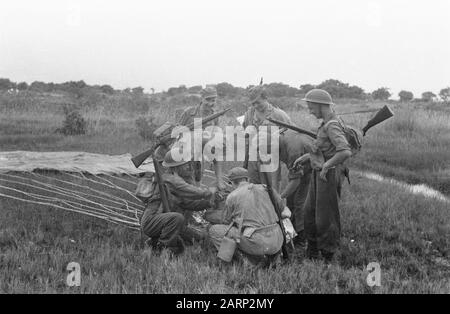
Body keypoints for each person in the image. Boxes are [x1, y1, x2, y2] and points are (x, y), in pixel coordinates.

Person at [293, 89, 352, 262]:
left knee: (326, 217)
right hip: (319, 173)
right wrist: (305, 158)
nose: (310, 111)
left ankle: (328, 254)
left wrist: (326, 166)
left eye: (311, 107)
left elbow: (345, 151)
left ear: (321, 105)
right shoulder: (327, 122)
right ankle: (312, 250)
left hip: (328, 175)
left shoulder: (331, 124)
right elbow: (324, 149)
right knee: (309, 212)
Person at [139, 149, 217, 255]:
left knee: (199, 238)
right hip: (152, 221)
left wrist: (208, 203)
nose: (188, 167)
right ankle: (161, 247)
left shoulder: (173, 180)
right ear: (176, 166)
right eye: (185, 164)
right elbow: (192, 191)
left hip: (165, 221)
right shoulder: (170, 179)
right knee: (177, 218)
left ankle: (156, 242)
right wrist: (208, 192)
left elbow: (188, 204)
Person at [207, 167, 286, 265]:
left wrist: (209, 214)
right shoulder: (267, 188)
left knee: (215, 230)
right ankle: (271, 257)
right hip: (277, 240)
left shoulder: (232, 196)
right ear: (248, 179)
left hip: (257, 242)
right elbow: (285, 212)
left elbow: (226, 222)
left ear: (231, 183)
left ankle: (246, 260)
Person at [242, 85, 292, 191]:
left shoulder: (279, 115)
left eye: (258, 102)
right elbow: (246, 133)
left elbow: (290, 133)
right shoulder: (249, 114)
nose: (256, 106)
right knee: (253, 187)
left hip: (271, 157)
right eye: (253, 103)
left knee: (272, 189)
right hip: (253, 156)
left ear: (265, 98)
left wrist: (275, 137)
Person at [178, 86, 220, 185]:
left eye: (213, 100)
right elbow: (178, 131)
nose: (210, 103)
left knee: (197, 180)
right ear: (202, 98)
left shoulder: (215, 116)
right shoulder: (189, 112)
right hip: (185, 152)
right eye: (207, 99)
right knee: (183, 180)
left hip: (201, 154)